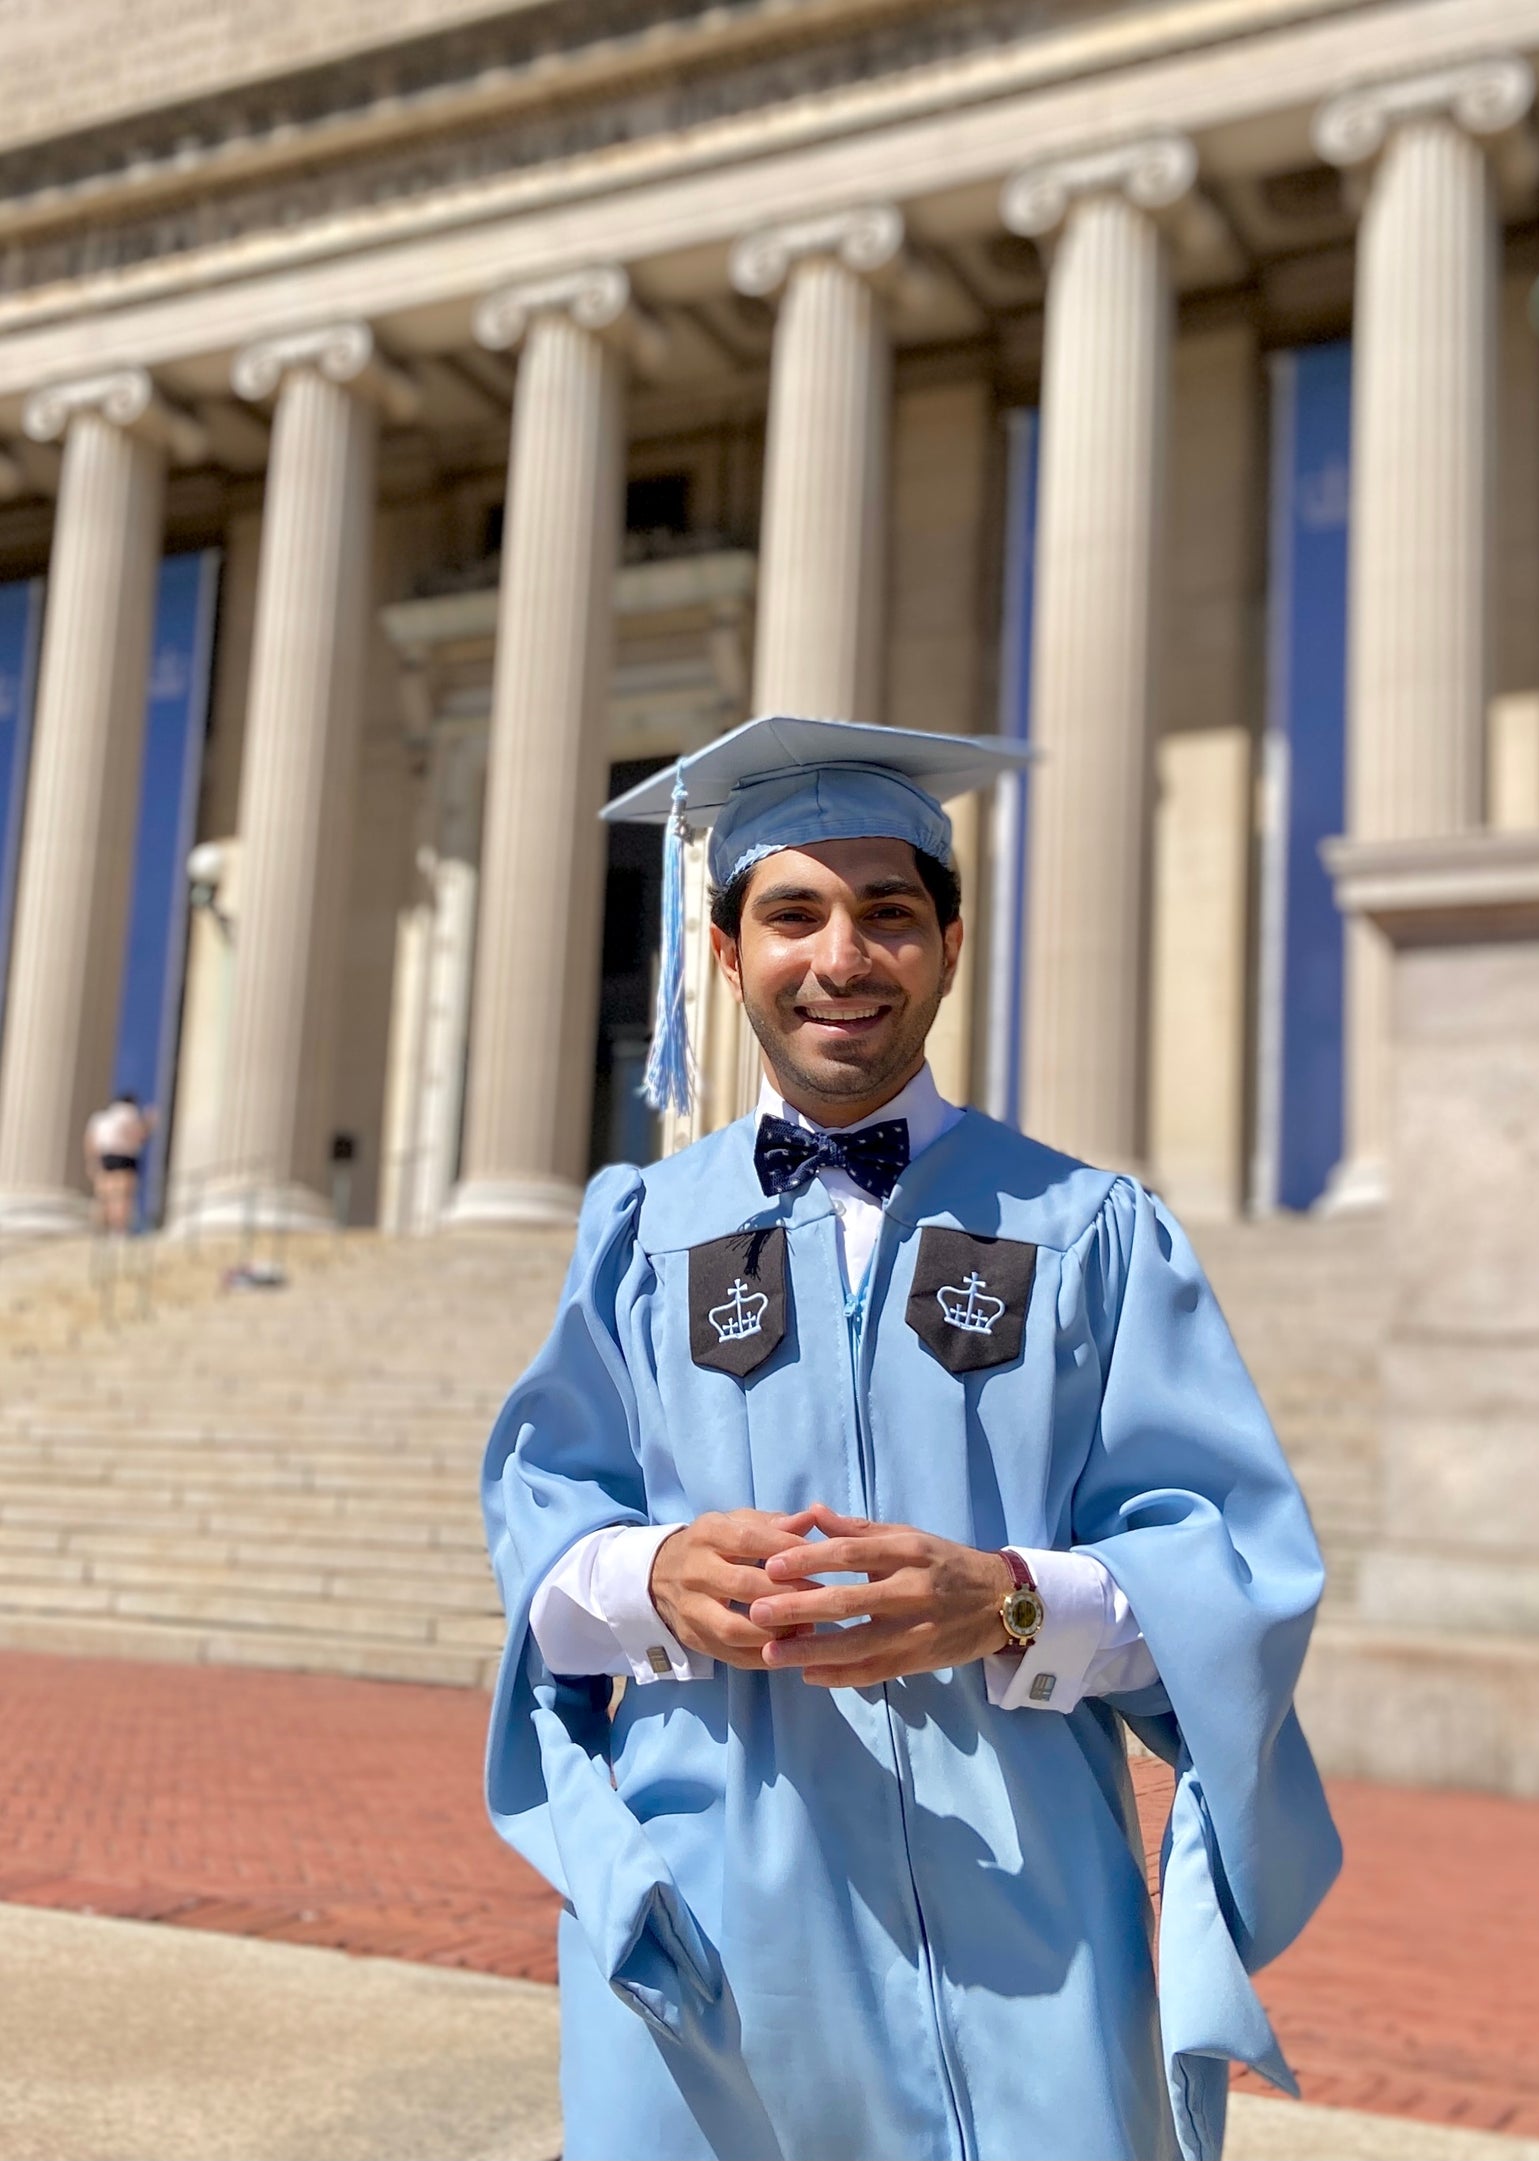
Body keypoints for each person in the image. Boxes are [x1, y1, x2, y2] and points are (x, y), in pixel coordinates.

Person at [480, 715, 1340, 2161]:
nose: (839, 958)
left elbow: (1231, 1571)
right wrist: (647, 1574)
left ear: (947, 942)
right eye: (792, 914)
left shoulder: (1083, 1232)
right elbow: (545, 1530)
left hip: (1025, 1922)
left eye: (885, 914)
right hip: (710, 1918)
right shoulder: (642, 1233)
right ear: (724, 948)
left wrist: (1006, 1599)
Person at [83, 1090, 156, 1235]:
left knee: (106, 1195)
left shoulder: (100, 1118)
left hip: (106, 1157)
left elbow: (90, 1141)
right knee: (123, 1196)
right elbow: (137, 1135)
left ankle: (106, 1228)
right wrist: (149, 1124)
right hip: (125, 1158)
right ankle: (119, 1228)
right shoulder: (129, 1113)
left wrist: (92, 1162)